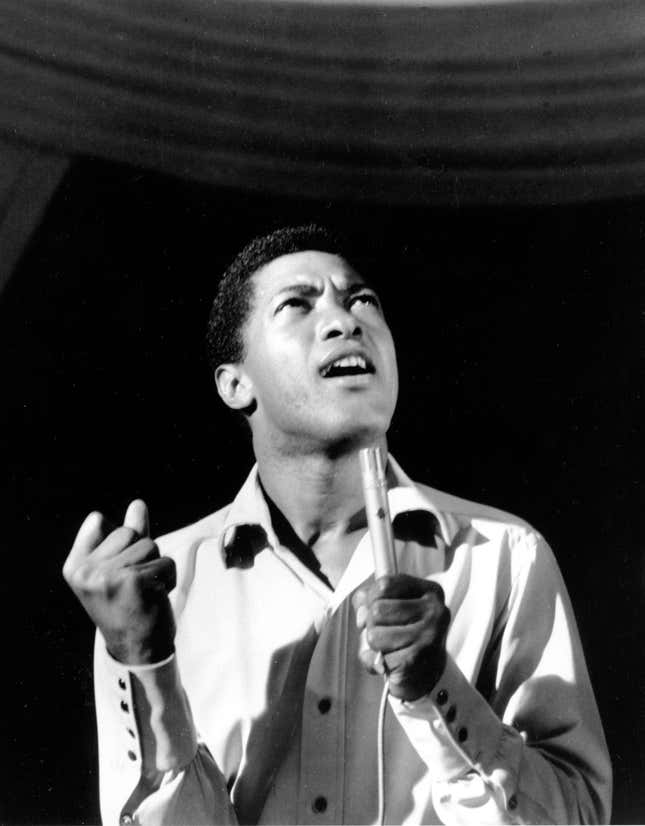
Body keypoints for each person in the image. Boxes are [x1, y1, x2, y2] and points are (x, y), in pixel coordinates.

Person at [63, 225, 611, 825]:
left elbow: (580, 817)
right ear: (235, 384)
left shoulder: (505, 556)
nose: (345, 320)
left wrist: (439, 691)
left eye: (362, 300)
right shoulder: (160, 590)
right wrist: (142, 656)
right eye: (297, 304)